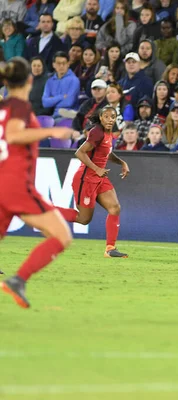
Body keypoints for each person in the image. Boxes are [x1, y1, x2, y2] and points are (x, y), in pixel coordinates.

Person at [0, 57, 76, 308]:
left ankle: (18, 281)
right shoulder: (19, 106)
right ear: (30, 80)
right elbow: (13, 134)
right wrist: (51, 131)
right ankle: (18, 280)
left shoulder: (3, 106)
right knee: (61, 235)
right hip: (15, 185)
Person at [67, 105, 130, 258]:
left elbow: (106, 152)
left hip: (100, 178)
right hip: (86, 178)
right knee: (84, 219)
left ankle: (110, 249)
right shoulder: (97, 132)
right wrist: (96, 169)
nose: (110, 120)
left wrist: (122, 162)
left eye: (112, 117)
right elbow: (80, 152)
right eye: (106, 116)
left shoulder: (108, 134)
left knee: (115, 208)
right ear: (101, 118)